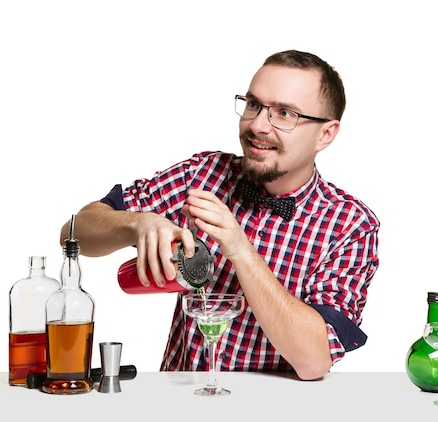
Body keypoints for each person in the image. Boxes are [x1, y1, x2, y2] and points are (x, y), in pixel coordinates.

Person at [60, 50, 380, 381]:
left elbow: (314, 361)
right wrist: (138, 223)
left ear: (325, 134)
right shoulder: (203, 174)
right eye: (253, 105)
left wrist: (240, 250)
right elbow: (74, 232)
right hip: (181, 405)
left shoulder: (351, 225)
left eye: (285, 114)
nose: (257, 125)